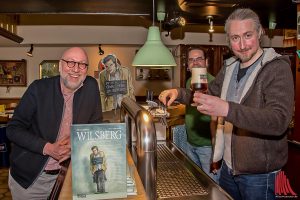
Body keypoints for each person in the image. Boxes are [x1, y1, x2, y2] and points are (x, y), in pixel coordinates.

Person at [159, 8, 294, 200]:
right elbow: (206, 96)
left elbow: (278, 120)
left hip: (259, 175)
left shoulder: (277, 68)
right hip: (228, 167)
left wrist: (227, 109)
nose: (242, 45)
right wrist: (178, 93)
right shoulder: (229, 66)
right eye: (235, 38)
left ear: (260, 33)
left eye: (248, 35)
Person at [6, 47, 103, 199]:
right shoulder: (38, 89)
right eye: (70, 63)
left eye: (82, 64)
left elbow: (95, 125)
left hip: (70, 176)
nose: (76, 69)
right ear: (59, 65)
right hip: (32, 180)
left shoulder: (91, 86)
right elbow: (13, 129)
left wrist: (76, 144)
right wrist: (48, 148)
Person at [160, 47, 219, 183]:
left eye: (199, 59)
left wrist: (215, 154)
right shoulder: (190, 82)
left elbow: (217, 120)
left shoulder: (214, 83)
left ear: (206, 62)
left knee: (212, 187)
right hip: (190, 143)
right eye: (191, 60)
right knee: (196, 182)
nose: (195, 62)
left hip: (207, 147)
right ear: (187, 65)